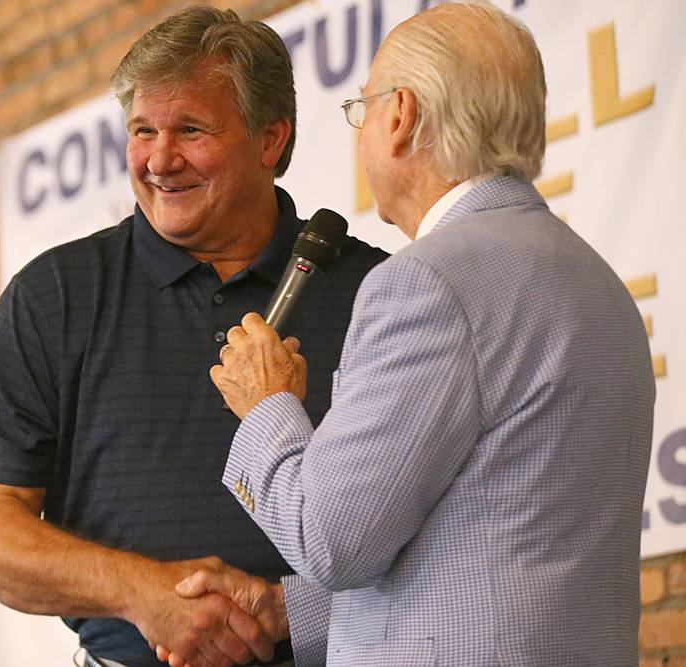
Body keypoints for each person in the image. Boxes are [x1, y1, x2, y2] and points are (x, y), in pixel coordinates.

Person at [172, 2, 656, 666]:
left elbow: (332, 540)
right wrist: (289, 609)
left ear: (399, 115)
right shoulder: (601, 285)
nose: (361, 129)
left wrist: (266, 404)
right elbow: (494, 532)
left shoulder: (427, 281)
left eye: (362, 108)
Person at [0, 6, 386, 667]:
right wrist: (140, 591)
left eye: (190, 130)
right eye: (142, 130)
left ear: (270, 141)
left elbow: (443, 529)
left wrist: (288, 605)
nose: (158, 158)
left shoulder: (377, 293)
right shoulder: (55, 295)